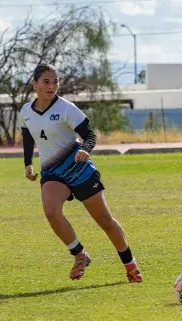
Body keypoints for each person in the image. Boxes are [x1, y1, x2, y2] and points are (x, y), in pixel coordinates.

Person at [18, 63, 142, 283]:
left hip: (78, 167)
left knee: (104, 220)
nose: (51, 86)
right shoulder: (26, 112)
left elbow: (90, 135)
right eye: (46, 82)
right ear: (35, 83)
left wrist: (85, 149)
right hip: (52, 171)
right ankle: (79, 255)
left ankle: (130, 264)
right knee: (51, 212)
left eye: (55, 82)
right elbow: (28, 137)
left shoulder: (66, 108)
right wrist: (28, 163)